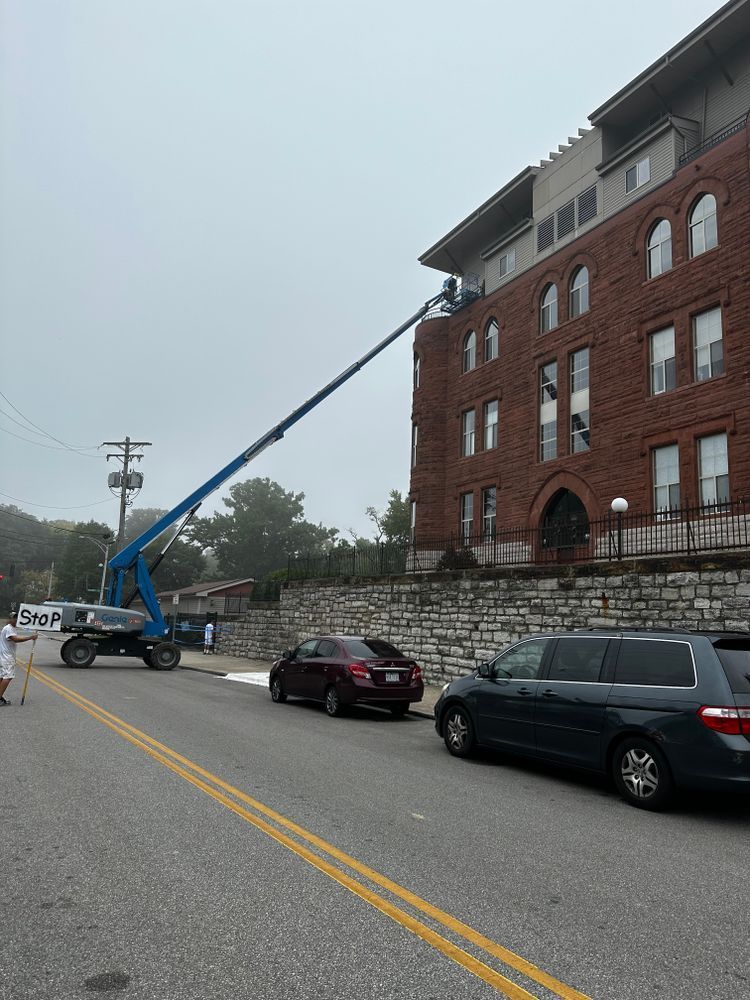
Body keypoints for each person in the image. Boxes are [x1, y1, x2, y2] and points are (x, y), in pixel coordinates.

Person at [0, 610, 38, 705]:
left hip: (4, 656)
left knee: (2, 676)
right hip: (7, 657)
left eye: (17, 618)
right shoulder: (9, 628)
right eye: (14, 618)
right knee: (8, 677)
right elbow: (15, 639)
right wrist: (30, 637)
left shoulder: (11, 628)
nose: (16, 619)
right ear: (10, 619)